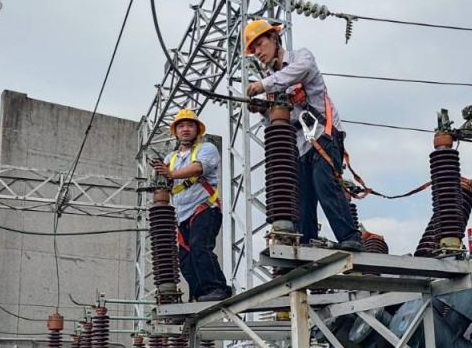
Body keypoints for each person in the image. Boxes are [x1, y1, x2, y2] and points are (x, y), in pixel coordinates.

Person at [243, 19, 362, 251]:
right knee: (303, 199)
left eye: (260, 44)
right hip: (300, 144)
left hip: (324, 134)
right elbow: (277, 121)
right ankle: (306, 244)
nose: (257, 52)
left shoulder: (300, 58)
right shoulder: (272, 82)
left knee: (324, 183)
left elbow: (301, 71)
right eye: (253, 48)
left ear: (274, 39)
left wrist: (264, 85)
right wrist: (263, 110)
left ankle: (350, 237)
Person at [151, 109, 232, 302]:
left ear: (197, 130)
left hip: (204, 208)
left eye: (189, 125)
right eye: (181, 126)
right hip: (182, 215)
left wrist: (170, 174)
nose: (185, 129)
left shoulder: (206, 149)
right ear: (175, 131)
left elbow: (198, 167)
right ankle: (199, 294)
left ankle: (217, 288)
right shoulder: (170, 158)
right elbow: (164, 185)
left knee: (200, 247)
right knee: (186, 259)